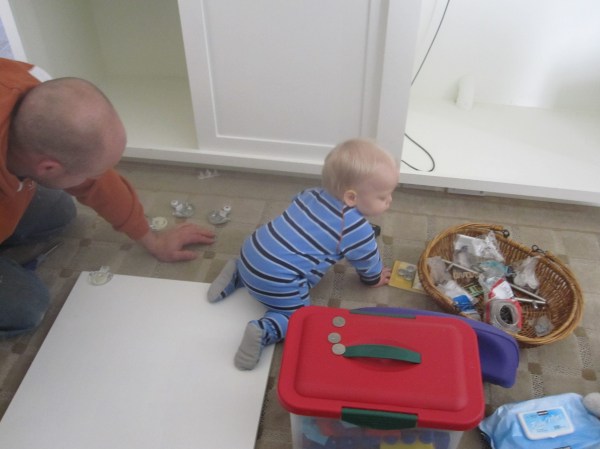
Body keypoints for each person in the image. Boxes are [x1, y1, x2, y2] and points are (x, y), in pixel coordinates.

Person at [0, 58, 216, 338]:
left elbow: (98, 182)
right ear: (49, 167)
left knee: (59, 213)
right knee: (27, 309)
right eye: (89, 174)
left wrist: (152, 240)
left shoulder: (31, 87)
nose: (95, 178)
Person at [207, 138, 398, 370]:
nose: (390, 200)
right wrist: (374, 278)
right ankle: (266, 329)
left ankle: (236, 273)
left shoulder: (311, 193)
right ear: (351, 198)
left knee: (266, 258)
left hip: (251, 249)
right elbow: (367, 261)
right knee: (301, 317)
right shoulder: (357, 229)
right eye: (383, 197)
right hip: (277, 279)